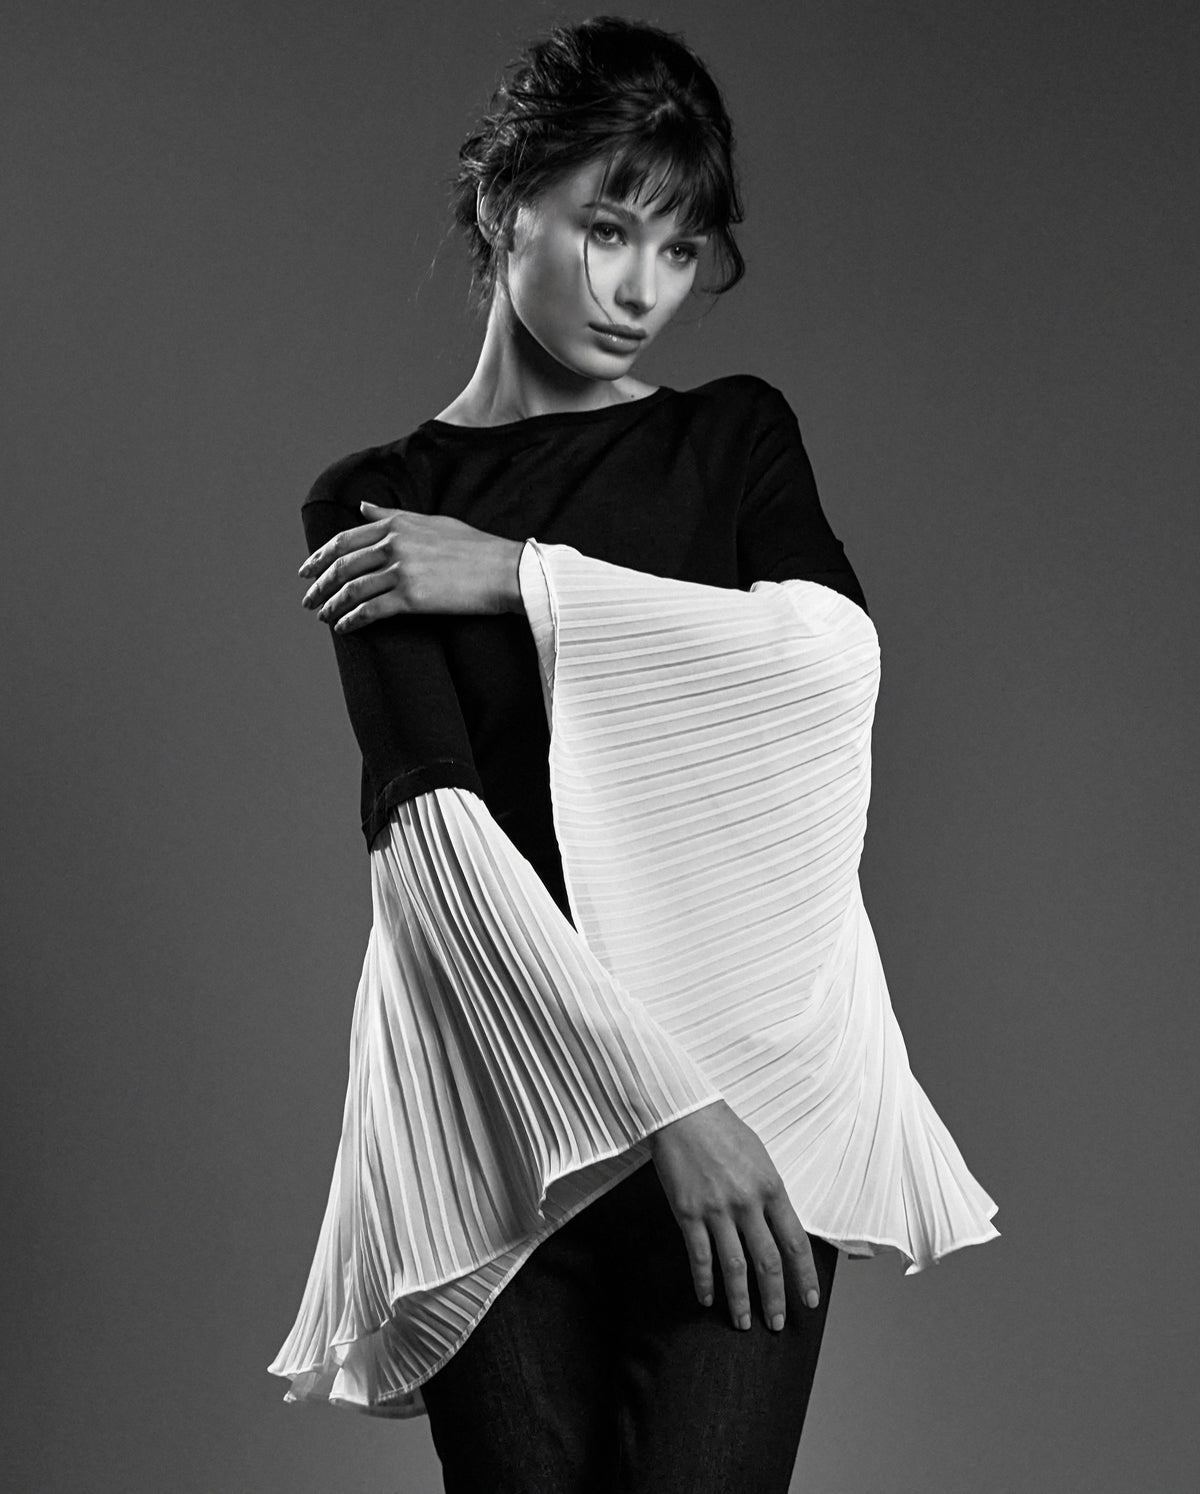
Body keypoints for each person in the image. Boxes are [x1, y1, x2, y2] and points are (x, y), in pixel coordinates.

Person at [269, 16, 998, 1493]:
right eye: (607, 229)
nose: (641, 290)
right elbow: (432, 838)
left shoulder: (733, 441)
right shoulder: (380, 501)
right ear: (504, 203)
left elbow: (831, 661)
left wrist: (518, 579)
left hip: (756, 1091)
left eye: (679, 249)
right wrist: (661, 1104)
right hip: (493, 1109)